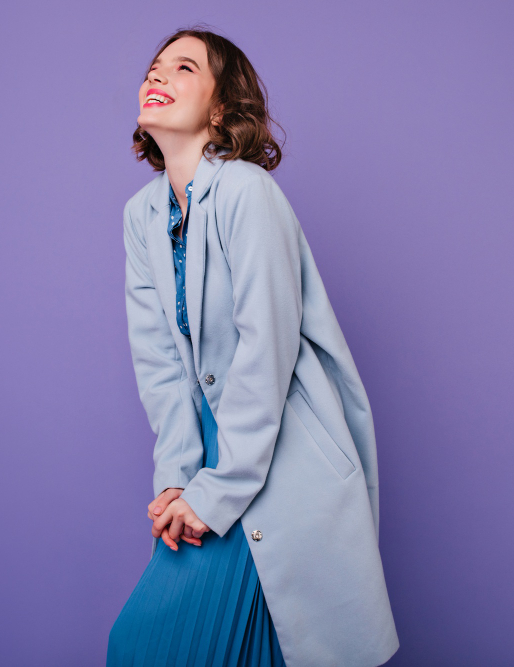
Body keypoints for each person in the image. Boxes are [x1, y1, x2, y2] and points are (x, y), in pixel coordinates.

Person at [107, 27, 399, 667]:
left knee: (145, 647)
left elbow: (265, 357)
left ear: (219, 109)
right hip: (213, 464)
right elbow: (159, 367)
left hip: (276, 464)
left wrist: (212, 495)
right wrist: (176, 480)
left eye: (183, 68)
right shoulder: (141, 216)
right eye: (153, 67)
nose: (157, 76)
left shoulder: (246, 191)